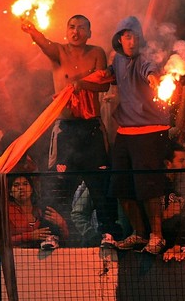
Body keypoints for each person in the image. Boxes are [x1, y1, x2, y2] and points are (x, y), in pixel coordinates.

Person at [20, 13, 119, 246]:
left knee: (99, 182)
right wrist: (32, 30)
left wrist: (80, 83)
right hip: (65, 128)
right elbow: (43, 43)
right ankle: (52, 233)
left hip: (91, 128)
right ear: (66, 31)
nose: (76, 32)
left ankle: (108, 232)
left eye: (82, 28)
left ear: (90, 33)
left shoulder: (97, 53)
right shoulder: (58, 51)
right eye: (72, 27)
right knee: (59, 182)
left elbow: (103, 83)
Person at [105, 16, 171, 254]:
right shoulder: (118, 59)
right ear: (119, 39)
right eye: (127, 36)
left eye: (135, 36)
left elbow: (149, 71)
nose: (131, 41)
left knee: (149, 186)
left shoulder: (147, 58)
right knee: (121, 186)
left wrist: (154, 81)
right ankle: (139, 234)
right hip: (125, 131)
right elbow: (109, 75)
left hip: (150, 130)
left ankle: (157, 236)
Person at [7, 174, 69, 250]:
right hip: (17, 255)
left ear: (31, 189)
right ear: (10, 192)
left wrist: (62, 224)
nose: (21, 188)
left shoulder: (42, 210)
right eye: (16, 185)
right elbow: (1, 241)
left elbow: (65, 238)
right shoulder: (6, 212)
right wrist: (30, 236)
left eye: (25, 184)